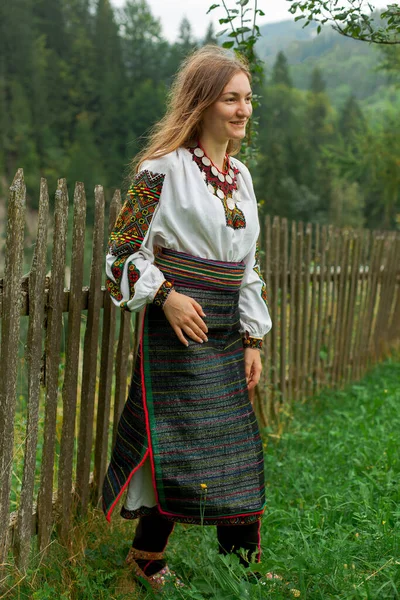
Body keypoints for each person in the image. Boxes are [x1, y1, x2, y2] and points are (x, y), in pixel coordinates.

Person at [102, 45, 272, 591]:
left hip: (226, 333)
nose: (243, 110)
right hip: (178, 332)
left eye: (247, 98)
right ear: (201, 104)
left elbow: (247, 268)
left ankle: (244, 571)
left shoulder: (241, 178)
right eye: (230, 98)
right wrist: (166, 295)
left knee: (237, 448)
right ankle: (146, 561)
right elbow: (121, 256)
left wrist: (253, 338)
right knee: (175, 446)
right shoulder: (162, 169)